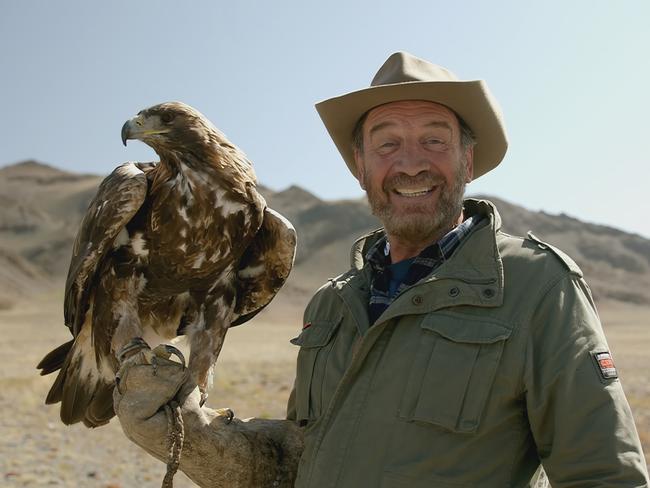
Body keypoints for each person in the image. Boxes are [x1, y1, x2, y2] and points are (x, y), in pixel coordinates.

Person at [114, 52, 649, 487]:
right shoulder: (332, 305)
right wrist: (194, 438)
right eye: (387, 143)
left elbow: (604, 476)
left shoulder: (537, 288)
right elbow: (299, 463)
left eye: (435, 140)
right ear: (361, 167)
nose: (411, 162)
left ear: (467, 160)